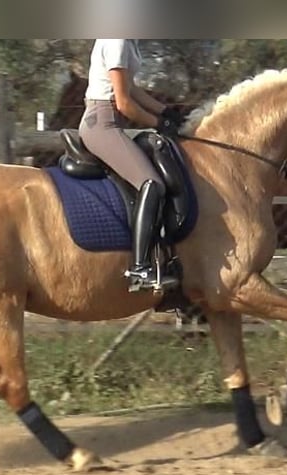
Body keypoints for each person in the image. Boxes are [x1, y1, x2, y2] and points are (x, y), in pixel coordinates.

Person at [78, 39, 184, 292]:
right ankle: (139, 268)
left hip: (111, 122)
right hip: (102, 124)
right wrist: (158, 123)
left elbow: (131, 88)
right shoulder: (117, 40)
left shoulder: (128, 39)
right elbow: (124, 103)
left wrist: (167, 111)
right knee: (153, 184)